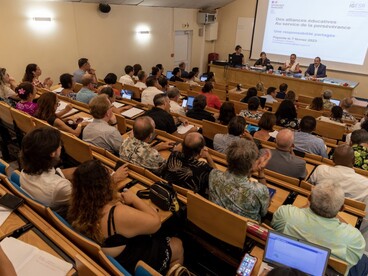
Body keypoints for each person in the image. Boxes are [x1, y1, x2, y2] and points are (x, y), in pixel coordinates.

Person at [68, 160, 183, 274]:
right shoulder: (116, 215)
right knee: (177, 244)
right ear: (104, 185)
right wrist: (134, 199)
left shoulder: (77, 208)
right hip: (133, 262)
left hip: (111, 260)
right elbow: (156, 224)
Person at [271, 181, 366, 270]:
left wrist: (309, 206)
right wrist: (331, 211)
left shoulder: (285, 215)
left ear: (309, 198)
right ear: (342, 208)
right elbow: (352, 262)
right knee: (364, 261)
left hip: (286, 263)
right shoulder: (354, 239)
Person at [209, 139, 271, 222]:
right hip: (244, 231)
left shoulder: (213, 174)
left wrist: (251, 170)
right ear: (251, 164)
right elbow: (264, 212)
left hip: (217, 221)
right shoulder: (259, 190)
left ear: (228, 158)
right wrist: (261, 171)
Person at [19, 127, 74, 214]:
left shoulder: (24, 172)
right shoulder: (61, 187)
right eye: (59, 145)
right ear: (52, 153)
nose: (60, 147)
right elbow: (85, 201)